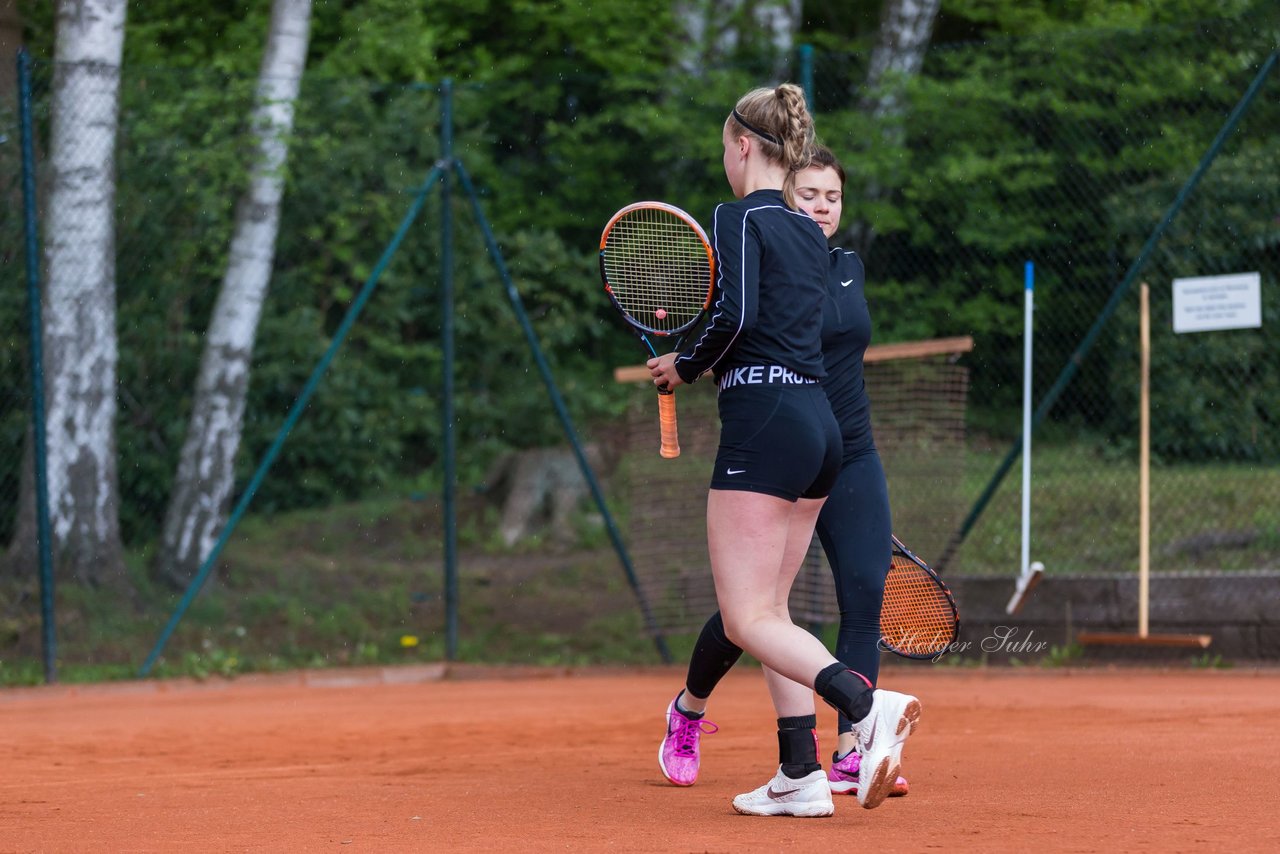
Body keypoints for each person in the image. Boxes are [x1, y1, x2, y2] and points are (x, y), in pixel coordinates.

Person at [647, 87, 920, 817]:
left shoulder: (738, 216)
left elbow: (734, 314)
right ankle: (799, 775)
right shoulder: (809, 235)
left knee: (746, 617)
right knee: (773, 610)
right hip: (820, 429)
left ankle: (865, 710)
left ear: (742, 145)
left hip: (766, 422)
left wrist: (687, 363)